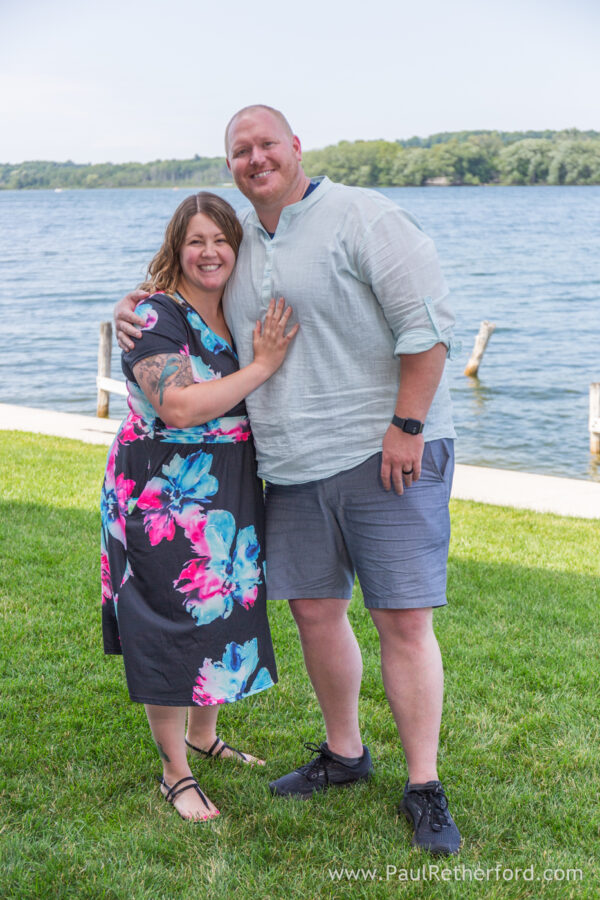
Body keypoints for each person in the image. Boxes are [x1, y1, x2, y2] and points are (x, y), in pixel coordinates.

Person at [115, 106, 461, 854]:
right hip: (286, 472)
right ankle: (344, 755)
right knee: (313, 615)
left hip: (383, 454)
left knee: (403, 620)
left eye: (267, 143)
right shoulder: (237, 254)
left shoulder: (360, 215)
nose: (255, 158)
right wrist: (136, 305)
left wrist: (407, 426)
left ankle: (424, 785)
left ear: (297, 147)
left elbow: (426, 325)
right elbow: (184, 346)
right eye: (240, 150)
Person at [102, 191, 298, 822]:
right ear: (176, 248)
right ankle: (173, 772)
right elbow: (179, 406)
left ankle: (203, 736)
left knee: (218, 614)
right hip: (165, 494)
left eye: (222, 240)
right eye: (196, 240)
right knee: (168, 620)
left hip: (229, 486)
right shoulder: (157, 314)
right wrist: (263, 366)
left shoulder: (237, 316)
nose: (210, 252)